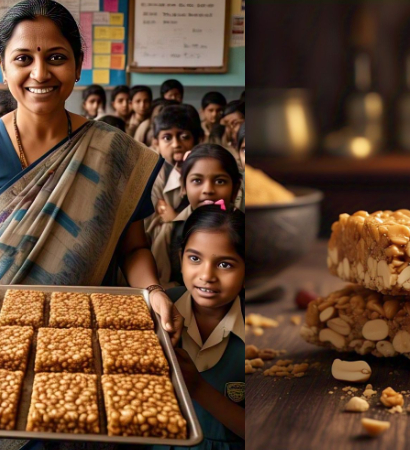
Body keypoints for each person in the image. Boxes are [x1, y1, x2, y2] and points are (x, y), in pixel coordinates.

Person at [0, 0, 183, 353]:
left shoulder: (115, 151)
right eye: (23, 59)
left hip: (85, 331)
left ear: (78, 65)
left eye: (56, 57)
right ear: (3, 67)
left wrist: (153, 291)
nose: (40, 73)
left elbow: (133, 249)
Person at [154, 204, 245, 450]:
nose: (207, 275)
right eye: (195, 259)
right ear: (180, 258)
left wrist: (198, 389)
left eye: (225, 264)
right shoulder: (158, 310)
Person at [149, 144, 242, 287]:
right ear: (183, 187)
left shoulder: (246, 230)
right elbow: (161, 284)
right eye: (197, 181)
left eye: (220, 181)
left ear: (235, 189)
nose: (208, 190)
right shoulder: (169, 232)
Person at [147, 104, 203, 231]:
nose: (176, 144)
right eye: (167, 138)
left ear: (198, 140)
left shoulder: (209, 171)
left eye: (184, 137)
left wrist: (175, 219)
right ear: (156, 143)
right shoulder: (150, 178)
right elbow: (149, 231)